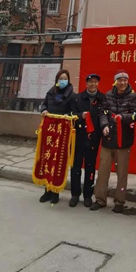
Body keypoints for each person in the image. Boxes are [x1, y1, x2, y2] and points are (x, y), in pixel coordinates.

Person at [90, 70, 136, 213]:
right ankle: (100, 199)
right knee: (103, 172)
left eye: (125, 80)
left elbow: (135, 114)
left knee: (122, 174)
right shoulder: (108, 95)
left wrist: (123, 117)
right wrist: (104, 125)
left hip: (124, 141)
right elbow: (103, 112)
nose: (122, 83)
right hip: (108, 139)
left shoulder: (133, 96)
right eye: (120, 80)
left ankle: (119, 201)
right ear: (115, 82)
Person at [39, 69, 75, 205]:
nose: (63, 81)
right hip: (49, 130)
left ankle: (55, 191)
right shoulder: (51, 92)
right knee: (47, 159)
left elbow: (73, 111)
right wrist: (44, 110)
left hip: (62, 131)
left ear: (68, 80)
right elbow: (44, 104)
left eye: (65, 78)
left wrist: (68, 115)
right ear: (57, 80)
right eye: (61, 78)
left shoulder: (72, 95)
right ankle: (47, 190)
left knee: (58, 160)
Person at [69, 73, 105, 208]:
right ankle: (75, 194)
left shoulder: (102, 99)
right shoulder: (77, 98)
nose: (93, 84)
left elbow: (104, 115)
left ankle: (88, 195)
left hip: (94, 139)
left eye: (96, 82)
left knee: (90, 167)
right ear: (86, 83)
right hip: (78, 137)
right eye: (91, 82)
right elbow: (70, 114)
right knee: (76, 167)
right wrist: (80, 116)